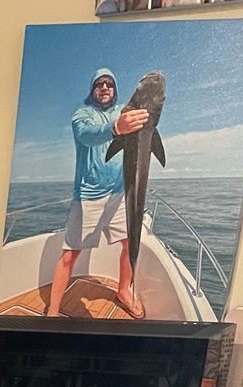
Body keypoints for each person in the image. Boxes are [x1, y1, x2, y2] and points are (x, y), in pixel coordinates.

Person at [46, 68, 150, 319]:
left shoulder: (124, 111)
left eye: (109, 84)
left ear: (115, 90)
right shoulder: (83, 115)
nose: (104, 88)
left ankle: (123, 291)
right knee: (70, 255)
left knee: (130, 244)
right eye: (99, 84)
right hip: (88, 197)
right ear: (92, 90)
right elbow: (87, 135)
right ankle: (52, 309)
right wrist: (116, 127)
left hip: (119, 195)